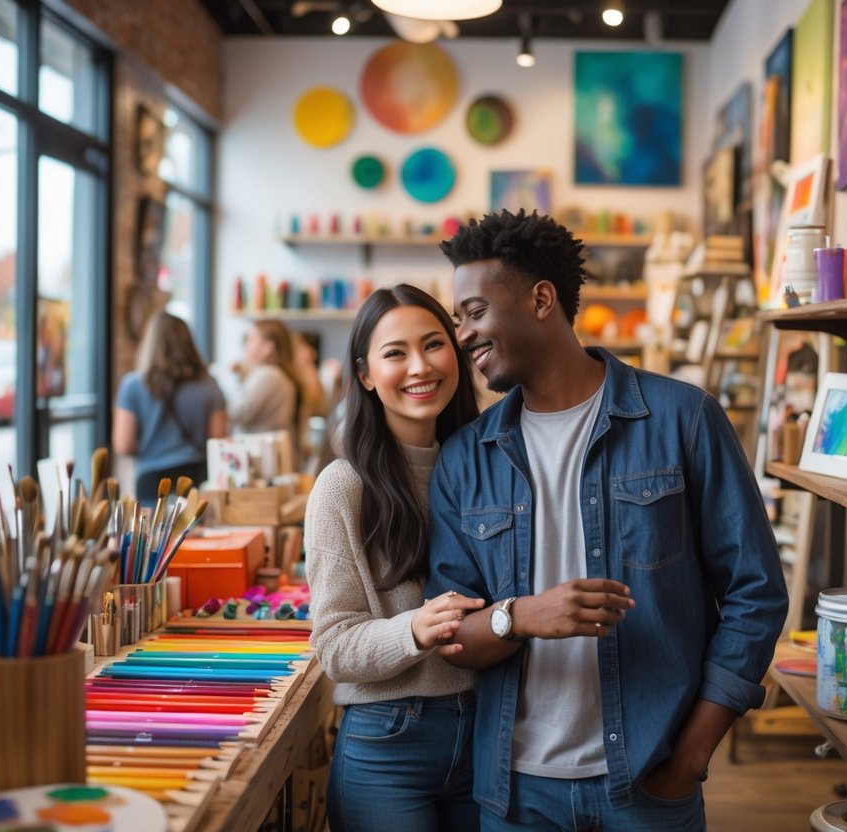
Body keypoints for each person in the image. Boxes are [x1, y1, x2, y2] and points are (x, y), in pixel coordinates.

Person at [426, 210, 789, 830]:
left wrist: (691, 759)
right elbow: (454, 635)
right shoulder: (466, 458)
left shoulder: (683, 420)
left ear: (542, 299)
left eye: (475, 312)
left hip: (650, 786)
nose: (463, 335)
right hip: (516, 796)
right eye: (458, 319)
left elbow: (755, 592)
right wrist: (523, 615)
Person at [305, 284, 485, 831]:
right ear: (365, 374)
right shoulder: (343, 487)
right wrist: (414, 629)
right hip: (389, 745)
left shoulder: (490, 466)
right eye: (394, 353)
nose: (419, 367)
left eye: (433, 344)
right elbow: (333, 646)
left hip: (488, 733)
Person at [113, 311, 227, 506]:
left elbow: (123, 444)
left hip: (151, 479)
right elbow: (217, 440)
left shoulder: (132, 385)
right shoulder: (209, 385)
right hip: (196, 476)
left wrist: (154, 446)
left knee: (157, 536)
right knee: (195, 535)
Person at [229, 320, 326, 460]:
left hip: (260, 459)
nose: (246, 345)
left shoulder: (268, 375)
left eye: (251, 339)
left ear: (268, 347)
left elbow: (238, 413)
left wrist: (233, 381)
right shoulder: (277, 375)